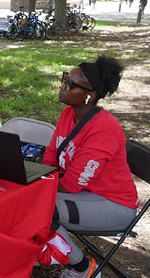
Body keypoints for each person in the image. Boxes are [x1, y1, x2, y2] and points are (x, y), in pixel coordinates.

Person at [42, 56, 139, 278]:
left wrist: (41, 187)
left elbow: (72, 183)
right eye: (64, 79)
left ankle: (82, 268)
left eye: (70, 84)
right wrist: (42, 178)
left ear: (89, 96)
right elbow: (51, 153)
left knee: (39, 207)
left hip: (114, 206)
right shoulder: (68, 114)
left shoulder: (104, 128)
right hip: (84, 195)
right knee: (31, 201)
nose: (62, 86)